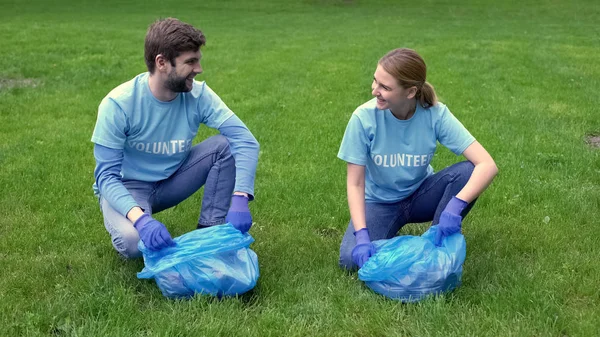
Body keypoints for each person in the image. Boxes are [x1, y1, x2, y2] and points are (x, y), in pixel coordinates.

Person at [91, 18, 259, 259]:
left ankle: (210, 231)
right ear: (162, 63)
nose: (199, 69)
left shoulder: (199, 96)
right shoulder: (118, 104)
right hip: (129, 187)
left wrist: (241, 197)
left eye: (198, 60)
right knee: (132, 243)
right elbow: (106, 177)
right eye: (190, 62)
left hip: (173, 180)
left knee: (226, 146)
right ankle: (136, 222)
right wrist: (141, 221)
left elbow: (245, 141)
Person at [338, 48, 498, 270]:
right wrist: (362, 235)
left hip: (420, 196)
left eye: (385, 87)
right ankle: (393, 238)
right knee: (349, 260)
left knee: (468, 171)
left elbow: (487, 165)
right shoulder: (363, 118)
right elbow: (355, 183)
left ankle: (435, 245)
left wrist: (455, 207)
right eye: (375, 81)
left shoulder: (435, 114)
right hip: (379, 203)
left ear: (410, 92)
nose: (375, 90)